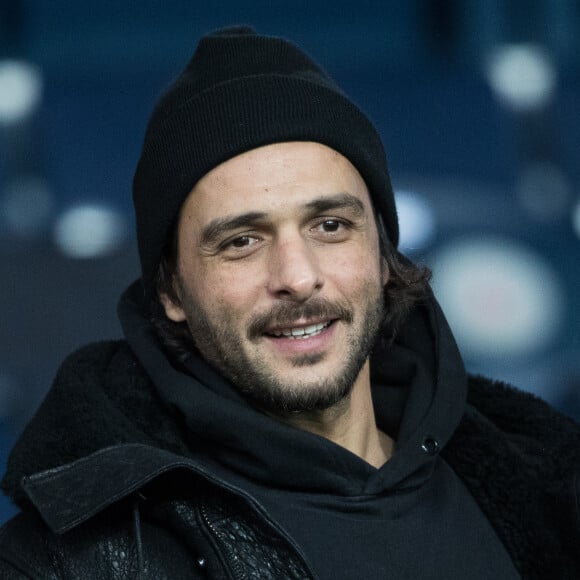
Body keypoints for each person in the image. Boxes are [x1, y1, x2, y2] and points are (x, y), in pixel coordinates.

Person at [0, 25, 579, 580]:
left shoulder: (544, 492)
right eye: (242, 241)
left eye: (329, 225)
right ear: (171, 291)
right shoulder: (67, 564)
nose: (298, 278)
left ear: (381, 256)